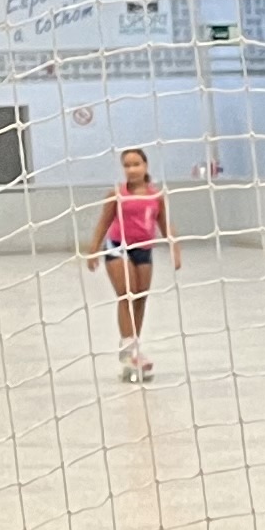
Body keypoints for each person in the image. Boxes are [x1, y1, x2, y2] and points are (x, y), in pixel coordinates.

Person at [85, 146, 178, 381]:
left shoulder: (156, 196)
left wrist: (175, 249)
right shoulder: (117, 194)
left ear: (145, 166)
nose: (132, 169)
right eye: (127, 165)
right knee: (127, 294)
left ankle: (134, 347)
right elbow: (103, 222)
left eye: (136, 164)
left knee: (140, 298)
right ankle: (129, 350)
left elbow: (165, 224)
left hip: (143, 250)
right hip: (118, 246)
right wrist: (93, 250)